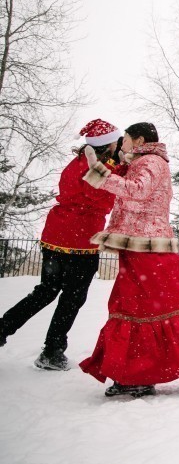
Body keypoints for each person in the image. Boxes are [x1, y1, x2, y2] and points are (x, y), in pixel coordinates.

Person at [78, 122, 179, 397]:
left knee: (160, 308)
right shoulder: (140, 161)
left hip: (150, 248)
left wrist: (99, 173)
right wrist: (115, 165)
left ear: (139, 140)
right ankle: (136, 375)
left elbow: (138, 191)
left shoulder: (152, 161)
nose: (122, 145)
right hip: (137, 245)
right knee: (132, 309)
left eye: (125, 139)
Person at [0, 120, 124, 370]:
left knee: (46, 291)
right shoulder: (97, 168)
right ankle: (53, 350)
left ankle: (3, 328)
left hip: (56, 234)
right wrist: (120, 168)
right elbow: (101, 196)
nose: (118, 145)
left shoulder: (78, 161)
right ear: (107, 145)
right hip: (80, 239)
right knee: (72, 297)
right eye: (115, 141)